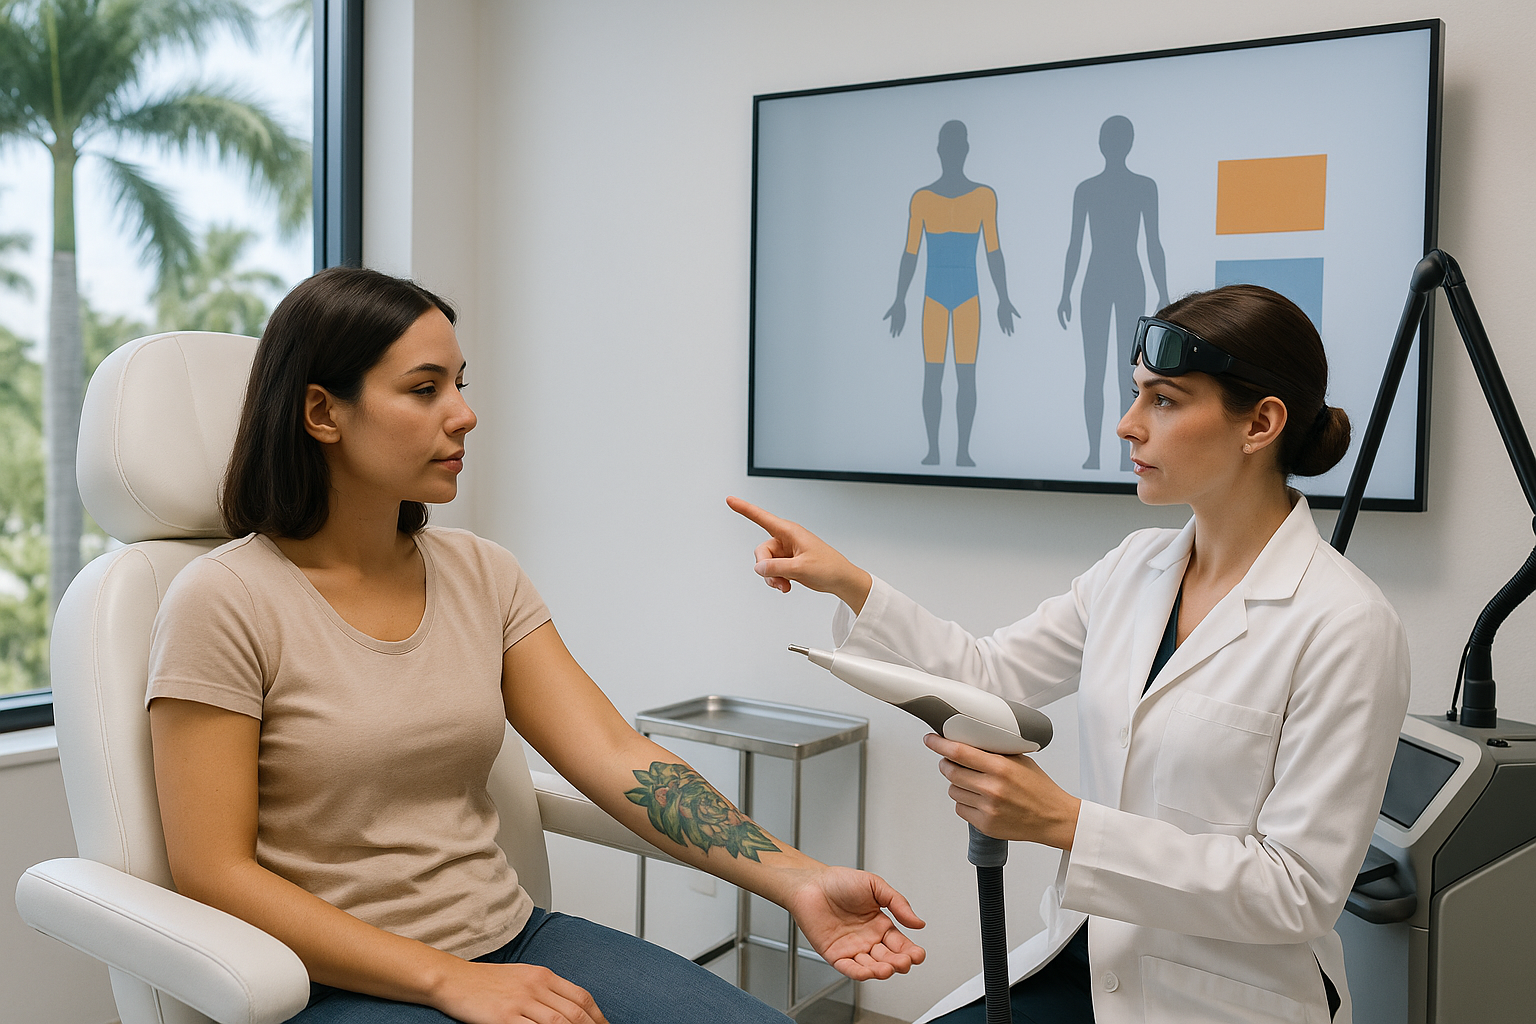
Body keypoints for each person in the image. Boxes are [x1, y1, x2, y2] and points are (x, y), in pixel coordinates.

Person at [147, 266, 925, 1024]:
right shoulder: (224, 600)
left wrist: (800, 881)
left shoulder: (482, 573)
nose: (463, 414)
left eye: (460, 383)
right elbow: (214, 872)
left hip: (514, 941)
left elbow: (617, 755)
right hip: (333, 982)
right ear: (323, 412)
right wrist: (447, 980)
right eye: (424, 389)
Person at [731, 284, 1410, 1024]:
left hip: (1220, 999)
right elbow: (988, 679)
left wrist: (1064, 822)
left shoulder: (1345, 624)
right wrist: (851, 583)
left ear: (1262, 422)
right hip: (1087, 961)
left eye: (1165, 401)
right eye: (1134, 396)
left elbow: (1296, 891)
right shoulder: (1134, 569)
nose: (1127, 425)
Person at [884, 119, 1019, 468]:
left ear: (964, 151)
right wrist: (899, 299)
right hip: (933, 297)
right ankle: (933, 450)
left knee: (965, 375)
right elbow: (910, 253)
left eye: (957, 146)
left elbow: (994, 251)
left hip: (967, 299)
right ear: (942, 151)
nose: (953, 152)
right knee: (932, 374)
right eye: (949, 146)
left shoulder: (983, 197)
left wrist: (1003, 298)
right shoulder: (923, 199)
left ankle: (962, 451)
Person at [1057, 116, 1170, 472]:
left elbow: (1154, 242)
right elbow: (1075, 245)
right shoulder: (1087, 189)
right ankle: (1093, 454)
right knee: (1096, 369)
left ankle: (1126, 458)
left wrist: (1165, 292)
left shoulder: (1143, 187)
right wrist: (1064, 292)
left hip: (1125, 279)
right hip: (1099, 281)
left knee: (1130, 375)